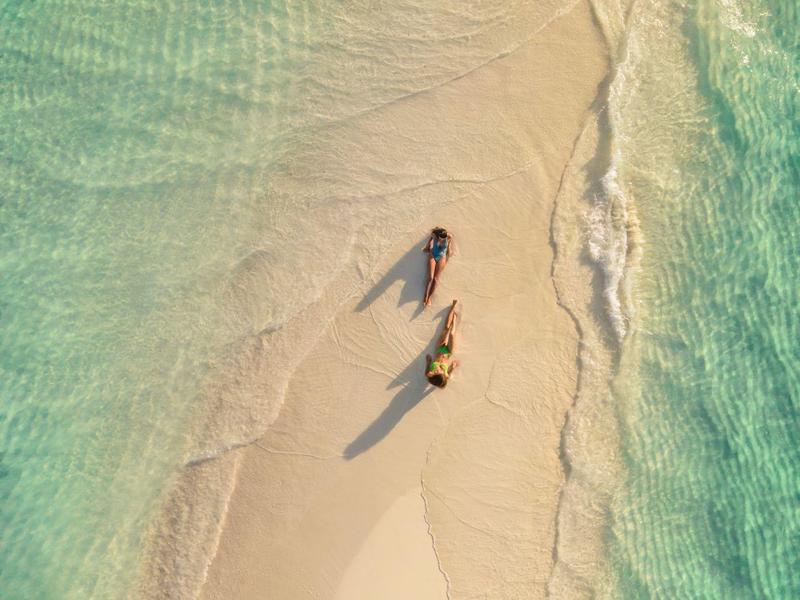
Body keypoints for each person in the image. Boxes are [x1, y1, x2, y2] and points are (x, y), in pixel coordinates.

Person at [426, 300, 459, 388]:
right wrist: (453, 367)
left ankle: (453, 306)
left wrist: (428, 362)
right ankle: (455, 321)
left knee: (446, 328)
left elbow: (426, 372)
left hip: (439, 349)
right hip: (448, 352)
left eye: (435, 372)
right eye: (438, 372)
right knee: (451, 334)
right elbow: (448, 374)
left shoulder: (430, 374)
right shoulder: (445, 375)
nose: (436, 370)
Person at [423, 226, 453, 306]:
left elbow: (449, 249)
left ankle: (429, 297)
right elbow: (429, 243)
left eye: (444, 238)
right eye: (441, 238)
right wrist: (427, 247)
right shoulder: (434, 235)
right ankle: (425, 296)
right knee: (430, 277)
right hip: (433, 255)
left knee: (436, 279)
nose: (443, 239)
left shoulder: (448, 237)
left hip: (442, 257)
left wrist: (449, 252)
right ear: (438, 235)